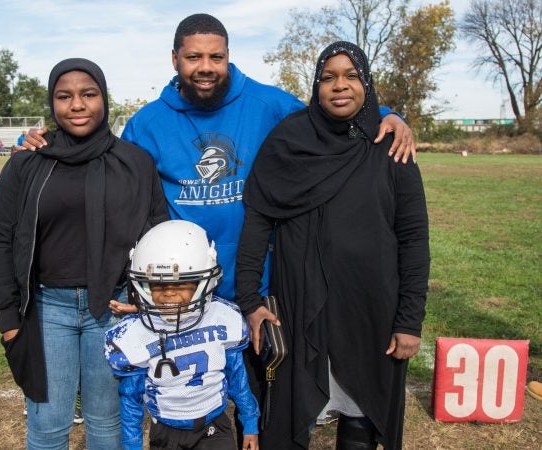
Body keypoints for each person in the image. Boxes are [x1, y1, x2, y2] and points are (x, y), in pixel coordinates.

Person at [21, 13, 415, 308]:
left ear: (228, 57)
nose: (205, 67)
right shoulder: (148, 122)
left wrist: (388, 114)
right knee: (189, 404)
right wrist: (42, 142)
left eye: (216, 56)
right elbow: (103, 164)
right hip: (181, 281)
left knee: (261, 397)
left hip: (261, 278)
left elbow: (332, 114)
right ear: (175, 60)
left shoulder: (269, 103)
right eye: (194, 57)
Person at [236, 41, 430, 449]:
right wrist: (250, 299)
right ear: (315, 85)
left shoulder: (389, 146)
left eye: (351, 76)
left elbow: (413, 238)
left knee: (362, 416)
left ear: (367, 84)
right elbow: (257, 221)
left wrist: (409, 321)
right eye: (328, 77)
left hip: (370, 307)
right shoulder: (288, 141)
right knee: (289, 418)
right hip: (298, 305)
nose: (339, 86)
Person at [0, 57, 169, 449]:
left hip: (114, 306)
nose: (77, 105)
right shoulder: (26, 163)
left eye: (88, 94)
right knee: (48, 427)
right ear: (52, 103)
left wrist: (147, 304)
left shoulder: (134, 163)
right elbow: (1, 239)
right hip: (47, 309)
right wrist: (8, 318)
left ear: (104, 98)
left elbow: (156, 236)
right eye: (64, 96)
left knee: (108, 425)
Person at [105, 220, 259, 450]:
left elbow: (237, 378)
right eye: (158, 286)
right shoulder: (134, 333)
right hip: (167, 432)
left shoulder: (222, 317)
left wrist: (250, 422)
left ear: (203, 282)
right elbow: (131, 401)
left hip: (214, 427)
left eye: (182, 284)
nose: (169, 295)